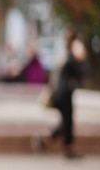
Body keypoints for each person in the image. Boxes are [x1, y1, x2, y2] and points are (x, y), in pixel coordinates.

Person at [37, 27, 87, 158]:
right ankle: (66, 148)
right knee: (68, 122)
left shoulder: (63, 54)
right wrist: (81, 58)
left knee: (65, 122)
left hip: (60, 92)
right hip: (64, 92)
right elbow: (80, 74)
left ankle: (45, 141)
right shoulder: (71, 56)